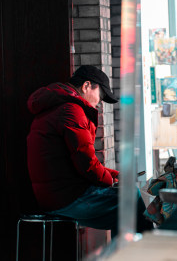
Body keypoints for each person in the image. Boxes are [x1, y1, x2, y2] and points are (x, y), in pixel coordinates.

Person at [26, 65, 152, 237]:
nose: (99, 102)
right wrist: (111, 181)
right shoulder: (71, 111)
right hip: (67, 198)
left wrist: (115, 175)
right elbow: (86, 163)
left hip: (55, 195)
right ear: (86, 86)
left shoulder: (57, 107)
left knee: (125, 210)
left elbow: (80, 159)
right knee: (132, 199)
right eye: (100, 95)